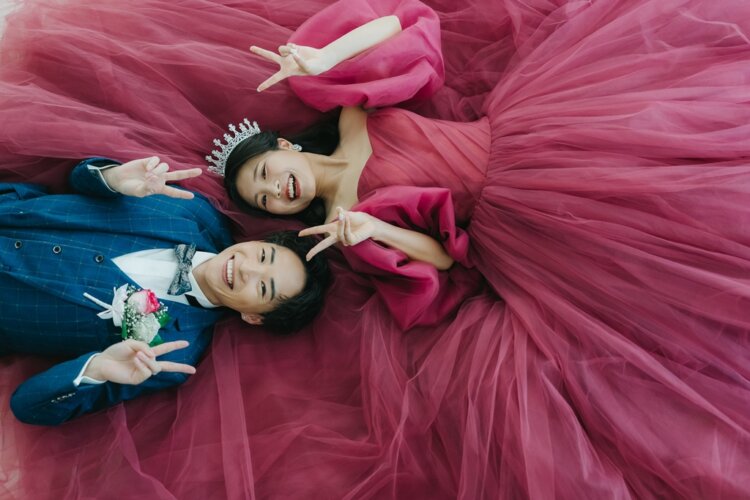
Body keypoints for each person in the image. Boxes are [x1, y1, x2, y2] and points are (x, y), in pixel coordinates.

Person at [0, 0, 749, 498]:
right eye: (265, 199)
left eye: (269, 172)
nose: (277, 189)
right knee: (659, 269)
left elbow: (404, 23)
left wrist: (322, 61)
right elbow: (446, 262)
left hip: (538, 138)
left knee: (683, 160)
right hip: (523, 228)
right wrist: (374, 230)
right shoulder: (343, 223)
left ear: (287, 145)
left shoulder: (356, 117)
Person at [2, 156, 330, 426]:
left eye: (263, 287)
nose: (247, 268)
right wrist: (111, 178)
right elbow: (78, 179)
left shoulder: (171, 354)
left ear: (253, 317)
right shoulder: (194, 211)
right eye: (263, 256)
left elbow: (28, 407)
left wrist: (95, 369)